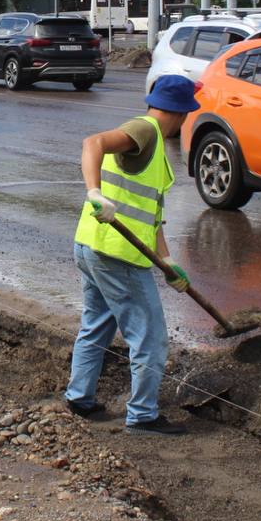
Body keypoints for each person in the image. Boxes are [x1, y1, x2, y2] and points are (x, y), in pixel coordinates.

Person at [63, 74, 200, 436]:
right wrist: (94, 191)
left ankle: (80, 397)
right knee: (151, 337)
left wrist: (167, 262)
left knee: (97, 324)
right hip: (117, 256)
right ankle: (142, 415)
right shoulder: (145, 131)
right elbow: (92, 142)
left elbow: (148, 215)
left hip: (93, 245)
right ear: (183, 113)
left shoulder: (152, 145)